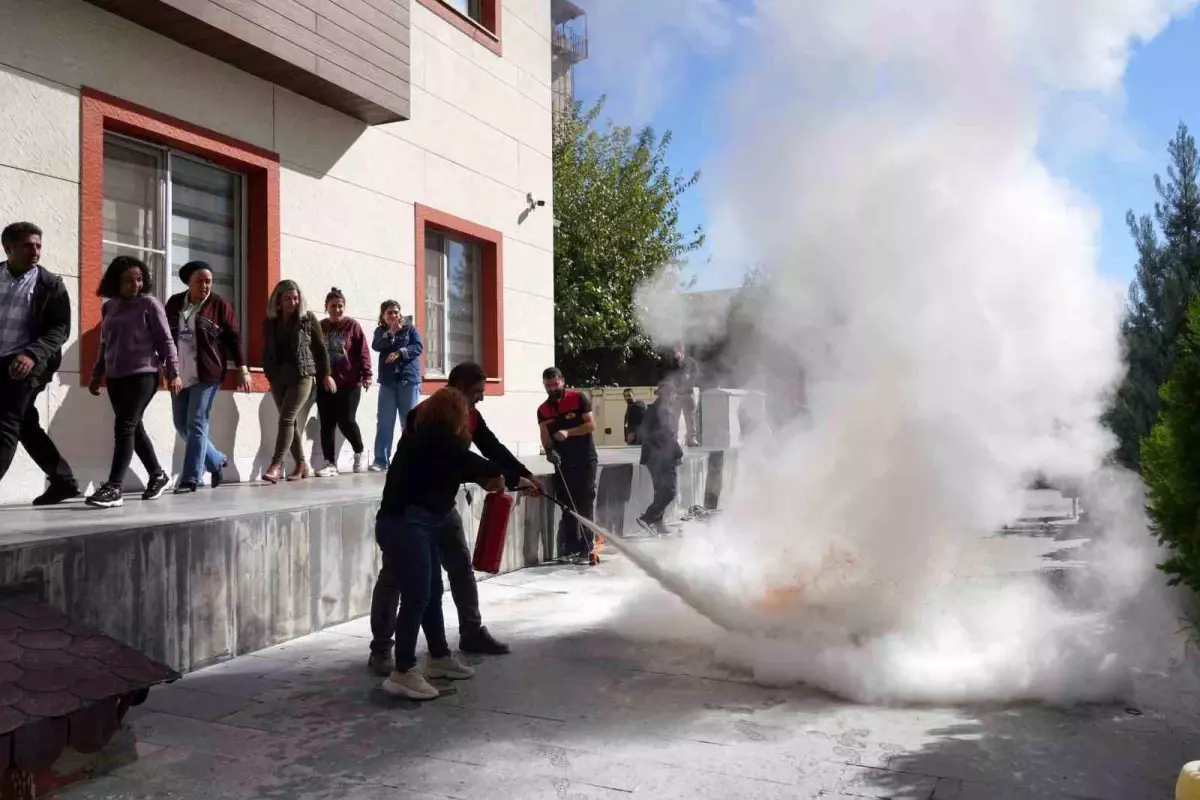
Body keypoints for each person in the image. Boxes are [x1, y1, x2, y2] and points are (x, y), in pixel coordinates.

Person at [368, 362, 543, 675]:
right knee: (400, 577)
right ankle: (382, 648)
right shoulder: (429, 413)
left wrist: (523, 474)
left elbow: (491, 448)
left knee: (459, 566)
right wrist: (499, 477)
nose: (481, 399)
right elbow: (451, 456)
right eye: (477, 392)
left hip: (441, 507)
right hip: (409, 510)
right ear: (459, 387)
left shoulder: (470, 415)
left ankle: (469, 633)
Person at [375, 387, 501, 700]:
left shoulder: (425, 435)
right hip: (404, 524)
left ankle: (439, 657)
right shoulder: (436, 439)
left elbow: (468, 466)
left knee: (431, 591)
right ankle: (402, 671)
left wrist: (503, 476)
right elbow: (475, 463)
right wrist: (504, 476)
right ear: (455, 416)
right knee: (417, 595)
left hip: (419, 522)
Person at [86, 256, 180, 509]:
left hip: (144, 374)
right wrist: (97, 373)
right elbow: (105, 344)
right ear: (116, 282)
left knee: (124, 426)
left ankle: (114, 486)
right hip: (116, 377)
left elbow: (166, 340)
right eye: (129, 280)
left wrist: (173, 372)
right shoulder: (109, 307)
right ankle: (158, 475)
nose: (135, 285)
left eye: (139, 279)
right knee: (133, 428)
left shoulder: (149, 304)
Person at [0, 222, 79, 505]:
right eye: (27, 246)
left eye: (38, 246)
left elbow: (60, 329)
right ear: (7, 248)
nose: (35, 251)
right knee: (24, 424)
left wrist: (32, 354)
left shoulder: (50, 284)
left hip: (30, 362)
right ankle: (63, 481)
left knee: (6, 421)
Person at [164, 261, 251, 493]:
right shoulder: (174, 303)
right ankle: (215, 460)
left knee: (197, 422)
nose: (205, 285)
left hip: (208, 372)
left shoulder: (219, 305)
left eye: (208, 281)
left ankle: (191, 478)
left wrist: (243, 368)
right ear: (188, 283)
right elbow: (163, 336)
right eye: (199, 281)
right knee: (181, 424)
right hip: (179, 372)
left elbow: (234, 338)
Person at [261, 280, 333, 484]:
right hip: (278, 376)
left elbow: (320, 349)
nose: (292, 302)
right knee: (290, 423)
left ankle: (276, 464)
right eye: (287, 299)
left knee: (285, 419)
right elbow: (267, 350)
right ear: (278, 300)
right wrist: (269, 373)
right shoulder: (270, 322)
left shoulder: (307, 319)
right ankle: (301, 464)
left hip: (302, 375)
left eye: (295, 298)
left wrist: (325, 374)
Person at [537, 368, 598, 564]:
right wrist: (550, 451)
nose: (552, 389)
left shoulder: (579, 398)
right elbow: (545, 433)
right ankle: (572, 548)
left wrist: (568, 433)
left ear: (562, 380)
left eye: (555, 384)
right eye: (548, 386)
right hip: (562, 462)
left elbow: (590, 425)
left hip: (584, 459)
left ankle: (588, 547)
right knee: (567, 505)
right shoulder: (543, 409)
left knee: (585, 503)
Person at [315, 287, 372, 477]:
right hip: (325, 381)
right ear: (326, 307)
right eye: (333, 306)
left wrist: (367, 374)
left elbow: (362, 350)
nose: (337, 310)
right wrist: (321, 375)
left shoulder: (352, 326)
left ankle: (359, 451)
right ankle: (329, 463)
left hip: (349, 382)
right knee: (327, 424)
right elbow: (314, 352)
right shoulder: (320, 326)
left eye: (340, 306)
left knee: (346, 420)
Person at [371, 300, 423, 471]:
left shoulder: (410, 329)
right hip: (388, 382)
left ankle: (411, 459)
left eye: (396, 312)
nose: (393, 316)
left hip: (408, 380)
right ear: (383, 316)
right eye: (389, 313)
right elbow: (377, 345)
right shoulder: (381, 332)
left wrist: (400, 352)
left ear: (400, 314)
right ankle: (381, 460)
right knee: (385, 421)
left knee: (409, 422)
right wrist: (391, 332)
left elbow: (418, 347)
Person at [637, 381, 684, 536]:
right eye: (670, 394)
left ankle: (658, 522)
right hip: (661, 457)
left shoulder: (656, 409)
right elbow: (668, 435)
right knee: (669, 491)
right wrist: (678, 453)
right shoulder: (662, 411)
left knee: (661, 491)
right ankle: (647, 518)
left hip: (655, 456)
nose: (672, 397)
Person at [672, 343, 701, 447]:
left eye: (680, 347)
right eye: (676, 347)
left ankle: (691, 438)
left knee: (690, 416)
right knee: (675, 416)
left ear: (683, 349)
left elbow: (697, 374)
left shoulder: (690, 362)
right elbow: (667, 375)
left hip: (688, 392)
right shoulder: (672, 363)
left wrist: (689, 377)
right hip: (676, 393)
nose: (678, 349)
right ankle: (675, 438)